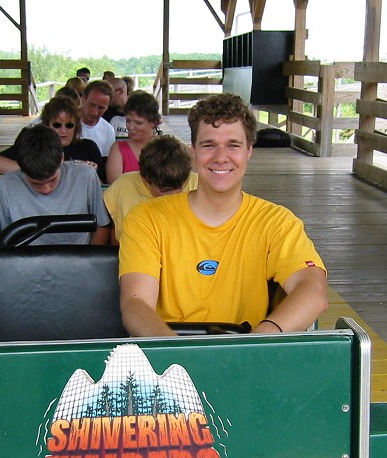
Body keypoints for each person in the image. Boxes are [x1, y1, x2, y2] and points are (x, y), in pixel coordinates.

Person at [118, 93, 328, 337]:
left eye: (233, 145)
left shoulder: (277, 222)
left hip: (246, 351)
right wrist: (182, 357)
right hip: (169, 358)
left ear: (249, 151)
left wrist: (253, 345)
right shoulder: (147, 218)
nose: (220, 157)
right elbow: (135, 304)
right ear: (193, 151)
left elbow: (313, 291)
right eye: (209, 145)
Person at [0, 125, 110, 245]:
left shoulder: (86, 176)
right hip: (27, 260)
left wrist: (88, 260)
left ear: (62, 158)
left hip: (78, 258)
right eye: (35, 184)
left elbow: (102, 226)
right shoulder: (7, 185)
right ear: (20, 167)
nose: (46, 190)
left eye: (52, 180)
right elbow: (7, 238)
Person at [0, 95, 105, 183]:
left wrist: (89, 173)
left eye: (69, 125)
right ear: (47, 125)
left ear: (76, 126)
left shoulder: (88, 147)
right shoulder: (36, 145)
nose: (63, 131)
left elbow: (102, 185)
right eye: (57, 125)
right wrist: (39, 170)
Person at [104, 135, 198, 242]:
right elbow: (114, 231)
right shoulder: (123, 185)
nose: (173, 196)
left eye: (180, 187)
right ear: (145, 179)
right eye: (164, 191)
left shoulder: (199, 186)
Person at [106, 91, 161, 184]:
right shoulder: (118, 148)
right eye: (128, 121)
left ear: (154, 122)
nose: (131, 127)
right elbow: (114, 185)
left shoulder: (167, 147)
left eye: (138, 123)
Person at [79, 79, 115, 159]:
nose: (95, 112)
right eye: (92, 105)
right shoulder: (66, 124)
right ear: (83, 98)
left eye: (101, 108)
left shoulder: (108, 130)